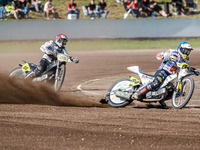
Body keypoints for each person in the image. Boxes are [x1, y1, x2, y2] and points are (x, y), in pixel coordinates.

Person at [132, 42, 198, 106]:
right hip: (164, 71)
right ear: (180, 49)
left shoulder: (186, 60)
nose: (186, 53)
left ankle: (161, 99)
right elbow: (158, 56)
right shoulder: (172, 52)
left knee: (177, 92)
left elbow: (186, 67)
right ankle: (138, 93)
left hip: (173, 76)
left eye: (188, 51)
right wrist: (165, 56)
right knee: (156, 82)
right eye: (185, 51)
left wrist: (193, 70)